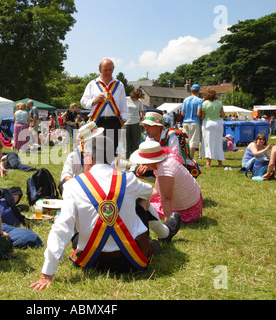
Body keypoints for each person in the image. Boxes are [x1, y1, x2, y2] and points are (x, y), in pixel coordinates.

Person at [30, 135, 180, 291]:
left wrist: (47, 272)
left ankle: (164, 233)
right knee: (142, 202)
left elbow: (62, 228)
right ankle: (164, 233)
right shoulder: (128, 179)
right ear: (114, 158)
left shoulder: (72, 186)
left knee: (74, 220)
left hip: (92, 261)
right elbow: (150, 191)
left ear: (89, 157)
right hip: (131, 261)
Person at [131, 140, 202, 224]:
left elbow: (166, 198)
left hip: (186, 212)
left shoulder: (164, 169)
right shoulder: (165, 162)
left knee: (140, 207)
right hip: (194, 205)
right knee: (141, 202)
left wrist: (168, 223)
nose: (141, 164)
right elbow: (157, 191)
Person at [80, 58, 128, 160]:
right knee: (95, 152)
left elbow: (124, 103)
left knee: (111, 153)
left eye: (110, 70)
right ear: (99, 70)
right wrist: (94, 101)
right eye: (105, 70)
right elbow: (83, 101)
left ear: (113, 69)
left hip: (114, 121)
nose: (108, 72)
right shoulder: (92, 84)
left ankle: (109, 174)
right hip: (97, 121)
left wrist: (123, 120)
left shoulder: (119, 85)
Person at [198, 89, 225, 167]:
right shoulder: (219, 103)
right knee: (218, 143)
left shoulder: (204, 104)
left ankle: (208, 163)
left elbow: (202, 116)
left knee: (208, 143)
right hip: (218, 124)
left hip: (208, 124)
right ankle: (220, 162)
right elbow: (223, 115)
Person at [181, 84, 202, 159]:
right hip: (195, 122)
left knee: (186, 141)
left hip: (186, 122)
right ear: (198, 91)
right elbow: (198, 113)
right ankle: (191, 158)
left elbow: (182, 112)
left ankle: (185, 157)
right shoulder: (199, 100)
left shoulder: (186, 100)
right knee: (193, 141)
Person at [123, 88, 144, 158]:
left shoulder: (139, 101)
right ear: (133, 94)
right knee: (125, 143)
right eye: (136, 97)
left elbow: (142, 111)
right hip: (126, 123)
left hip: (136, 123)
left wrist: (142, 119)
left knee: (136, 142)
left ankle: (136, 158)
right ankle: (126, 157)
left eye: (138, 97)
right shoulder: (125, 99)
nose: (137, 99)